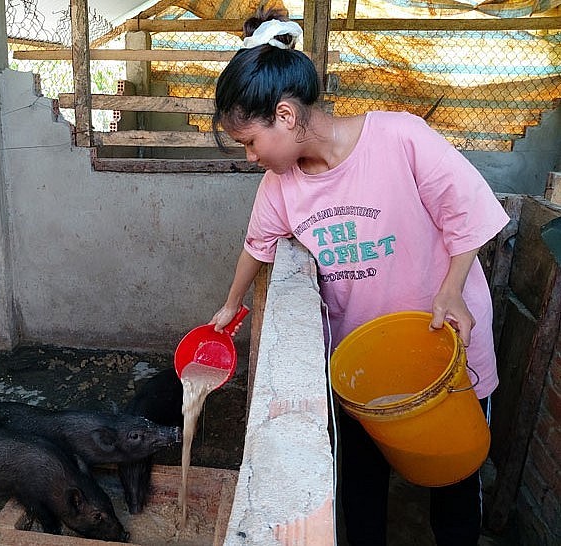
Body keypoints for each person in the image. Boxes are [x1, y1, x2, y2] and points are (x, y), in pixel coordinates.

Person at [208, 9, 510, 546]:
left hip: (441, 344)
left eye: (250, 142)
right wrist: (230, 307)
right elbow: (256, 247)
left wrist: (451, 290)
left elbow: (469, 211)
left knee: (456, 475)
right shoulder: (282, 187)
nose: (251, 157)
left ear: (284, 115)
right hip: (359, 361)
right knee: (361, 488)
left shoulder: (399, 138)